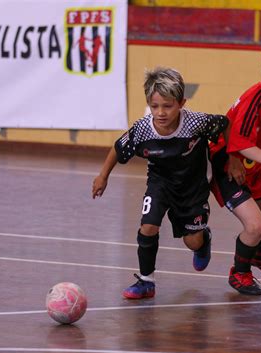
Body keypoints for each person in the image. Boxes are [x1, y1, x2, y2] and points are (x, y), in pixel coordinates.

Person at [92, 67, 229, 299]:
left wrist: (232, 160)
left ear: (181, 103)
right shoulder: (143, 129)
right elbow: (118, 148)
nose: (161, 113)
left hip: (193, 188)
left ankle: (203, 240)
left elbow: (226, 125)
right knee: (148, 226)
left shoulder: (197, 123)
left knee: (192, 241)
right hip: (160, 183)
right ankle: (146, 281)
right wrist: (103, 176)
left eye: (168, 106)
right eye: (155, 106)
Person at [209, 65, 261, 296]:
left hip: (250, 162)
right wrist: (238, 160)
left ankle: (260, 256)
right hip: (229, 164)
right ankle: (239, 272)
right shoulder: (255, 97)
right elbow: (233, 130)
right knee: (255, 226)